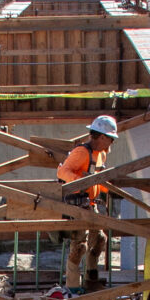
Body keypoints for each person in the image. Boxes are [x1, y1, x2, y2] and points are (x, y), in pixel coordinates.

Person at [55, 114, 120, 286]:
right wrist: (80, 181)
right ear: (102, 136)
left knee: (100, 240)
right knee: (79, 247)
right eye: (110, 139)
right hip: (76, 203)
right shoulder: (81, 152)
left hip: (91, 203)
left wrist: (108, 187)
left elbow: (98, 178)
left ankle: (91, 278)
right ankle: (73, 285)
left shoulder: (101, 155)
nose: (112, 142)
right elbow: (62, 172)